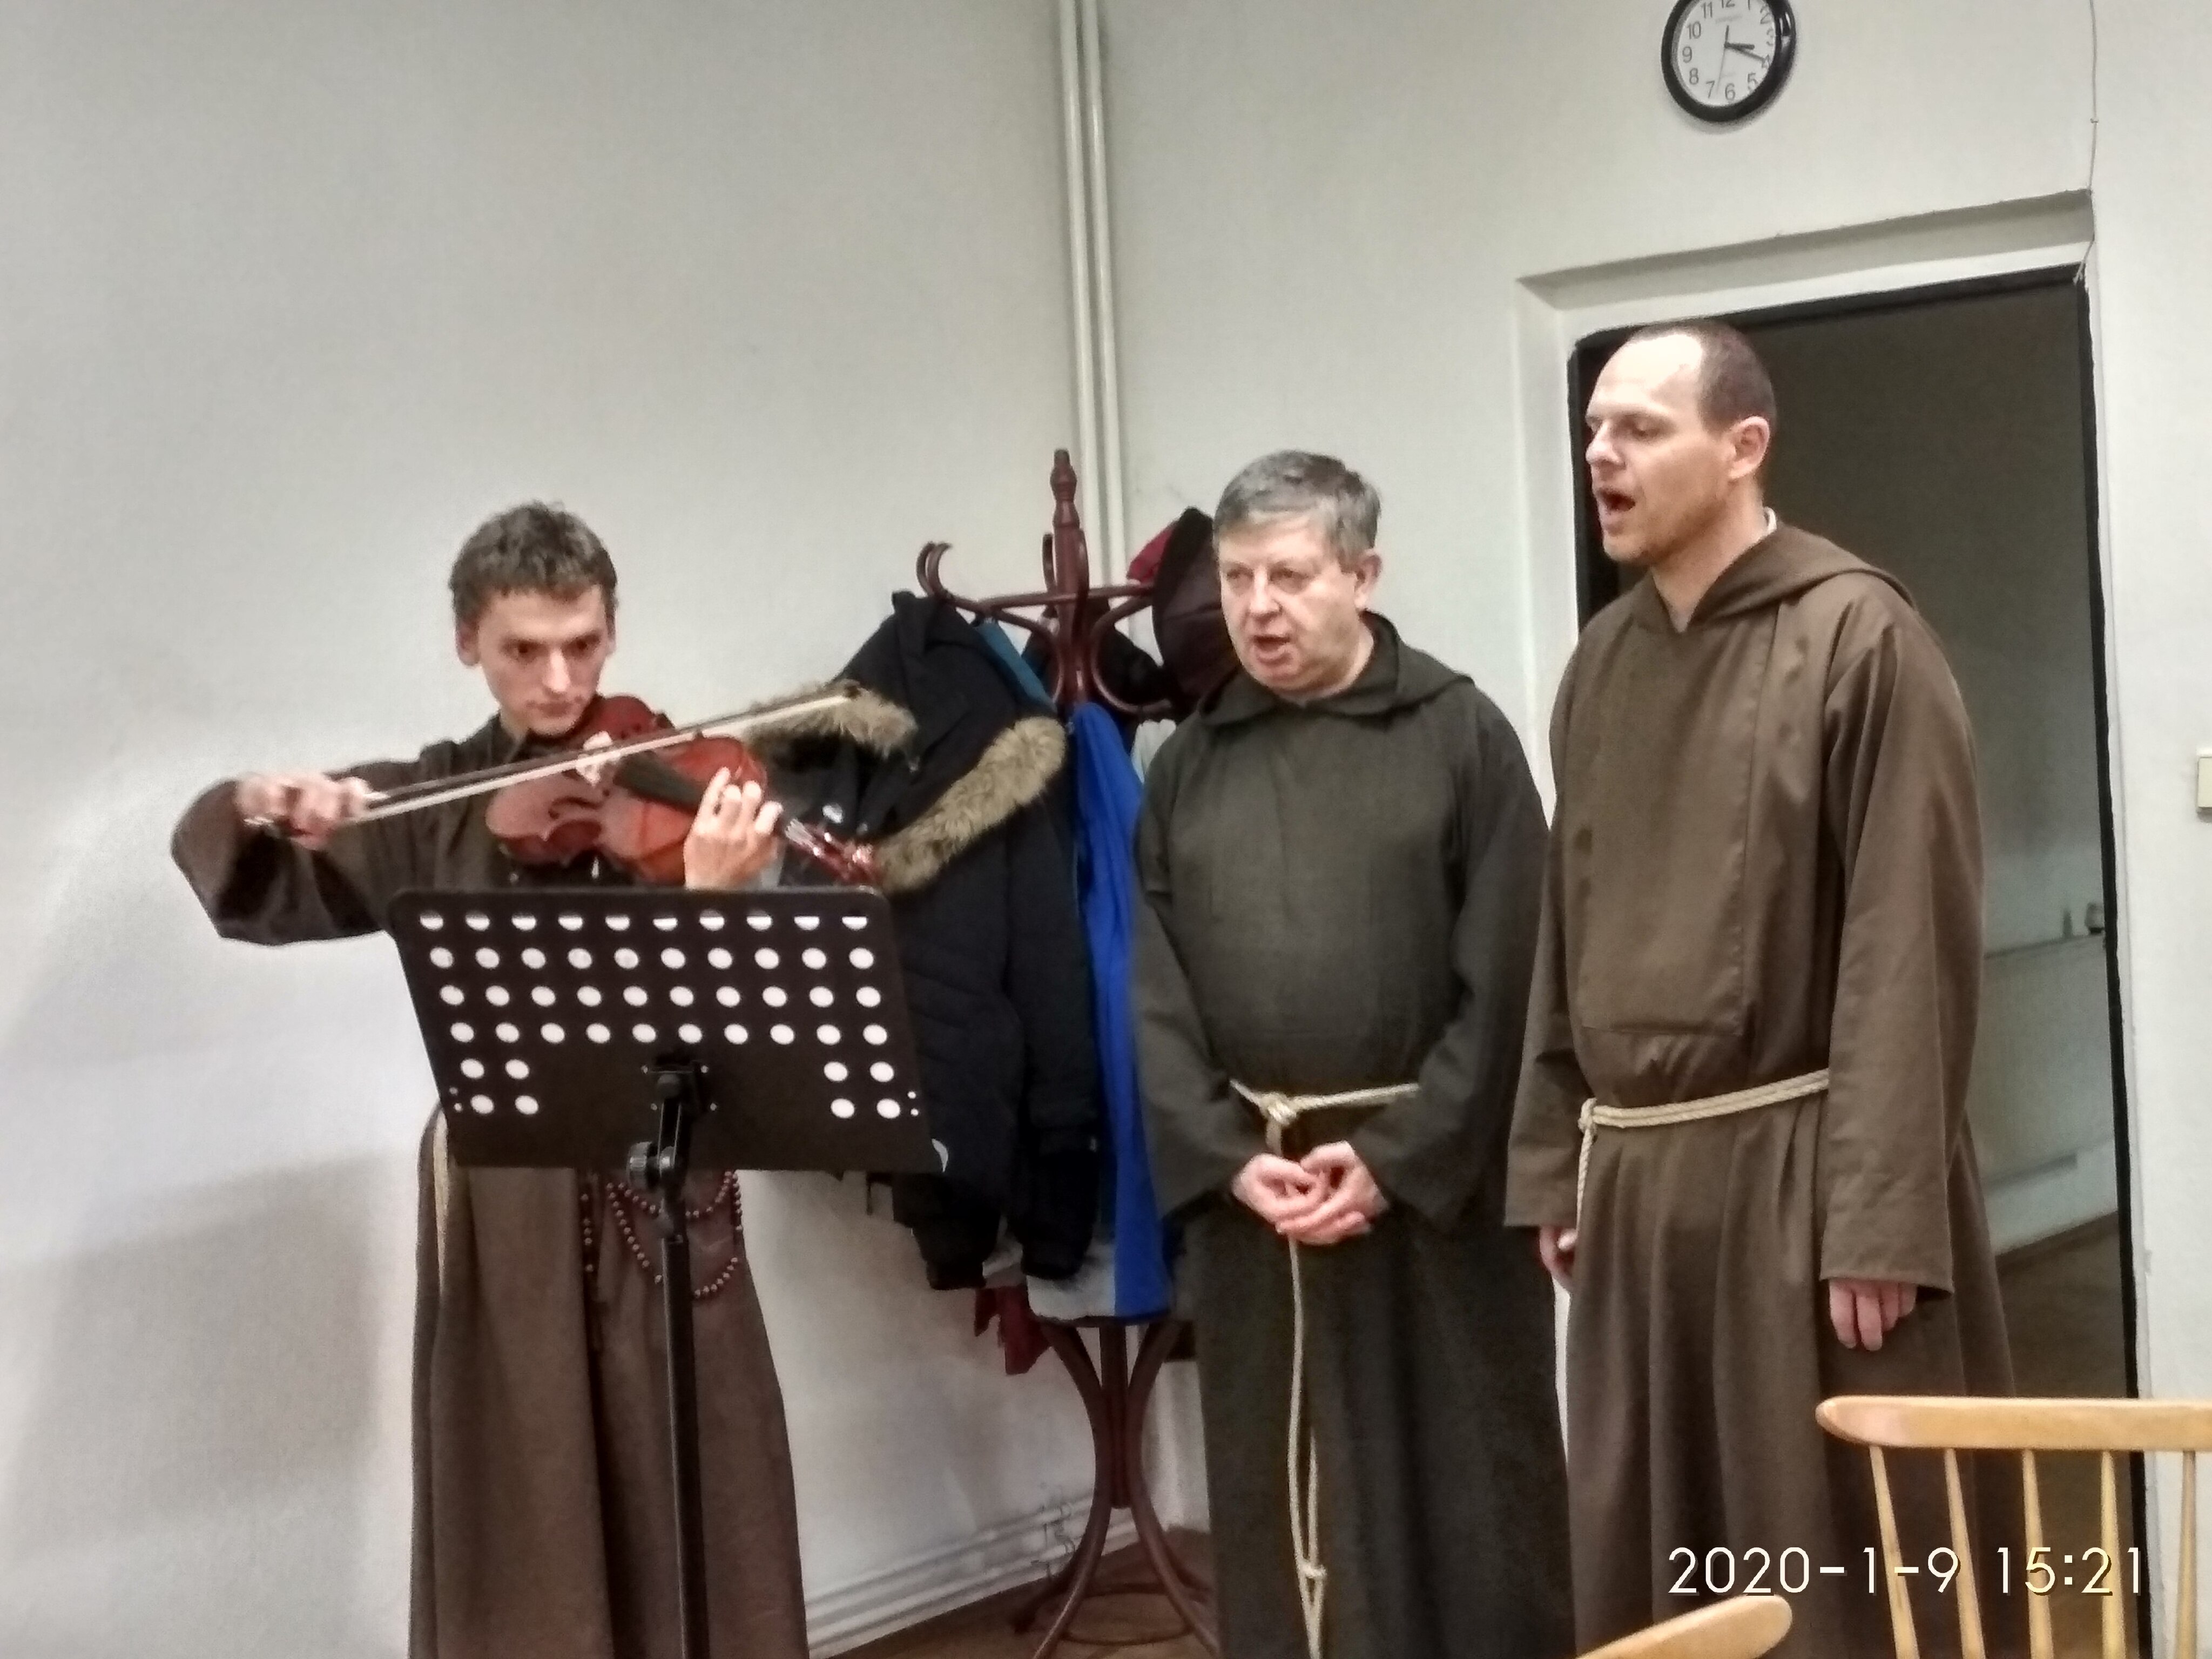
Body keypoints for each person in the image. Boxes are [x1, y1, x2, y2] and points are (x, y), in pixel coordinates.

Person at [172, 503, 854, 1659]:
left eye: (582, 645)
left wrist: (714, 899)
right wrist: (258, 801)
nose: (559, 681)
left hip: (660, 1186)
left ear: (612, 628)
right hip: (509, 1204)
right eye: (522, 651)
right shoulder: (435, 803)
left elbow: (756, 1028)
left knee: (701, 1485)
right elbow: (252, 891)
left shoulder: (689, 787)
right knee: (530, 1508)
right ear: (466, 643)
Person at [1505, 322, 2014, 1657]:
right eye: (1593, 429)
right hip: (1641, 1193)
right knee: (1659, 1550)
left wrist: (1881, 1219)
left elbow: (1907, 942)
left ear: (1742, 449)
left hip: (1806, 1185)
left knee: (1839, 1559)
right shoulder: (1600, 666)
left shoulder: (1859, 636)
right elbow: (1568, 928)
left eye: (1638, 429)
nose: (1600, 457)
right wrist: (1554, 1155)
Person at [1135, 452, 1572, 1659]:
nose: (1257, 608)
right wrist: (1227, 1156)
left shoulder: (1460, 737)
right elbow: (1152, 993)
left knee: (1467, 1499)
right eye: (1236, 579)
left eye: (1289, 576)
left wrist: (1394, 1158)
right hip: (1261, 1204)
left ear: (1363, 574)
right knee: (1283, 1505)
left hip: (1433, 1204)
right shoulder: (1189, 766)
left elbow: (1514, 981)